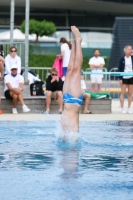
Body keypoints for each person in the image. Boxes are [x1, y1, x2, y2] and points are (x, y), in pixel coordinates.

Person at [61, 26, 83, 137]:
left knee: (70, 69)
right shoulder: (74, 138)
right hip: (74, 101)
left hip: (66, 99)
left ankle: (74, 41)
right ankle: (78, 41)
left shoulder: (71, 139)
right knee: (75, 70)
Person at [118, 45, 133, 114]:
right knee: (123, 93)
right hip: (124, 77)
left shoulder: (132, 58)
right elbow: (119, 69)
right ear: (125, 50)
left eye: (131, 49)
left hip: (131, 77)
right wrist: (120, 78)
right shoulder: (122, 59)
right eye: (128, 49)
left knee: (130, 93)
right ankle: (123, 107)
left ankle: (129, 107)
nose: (129, 50)